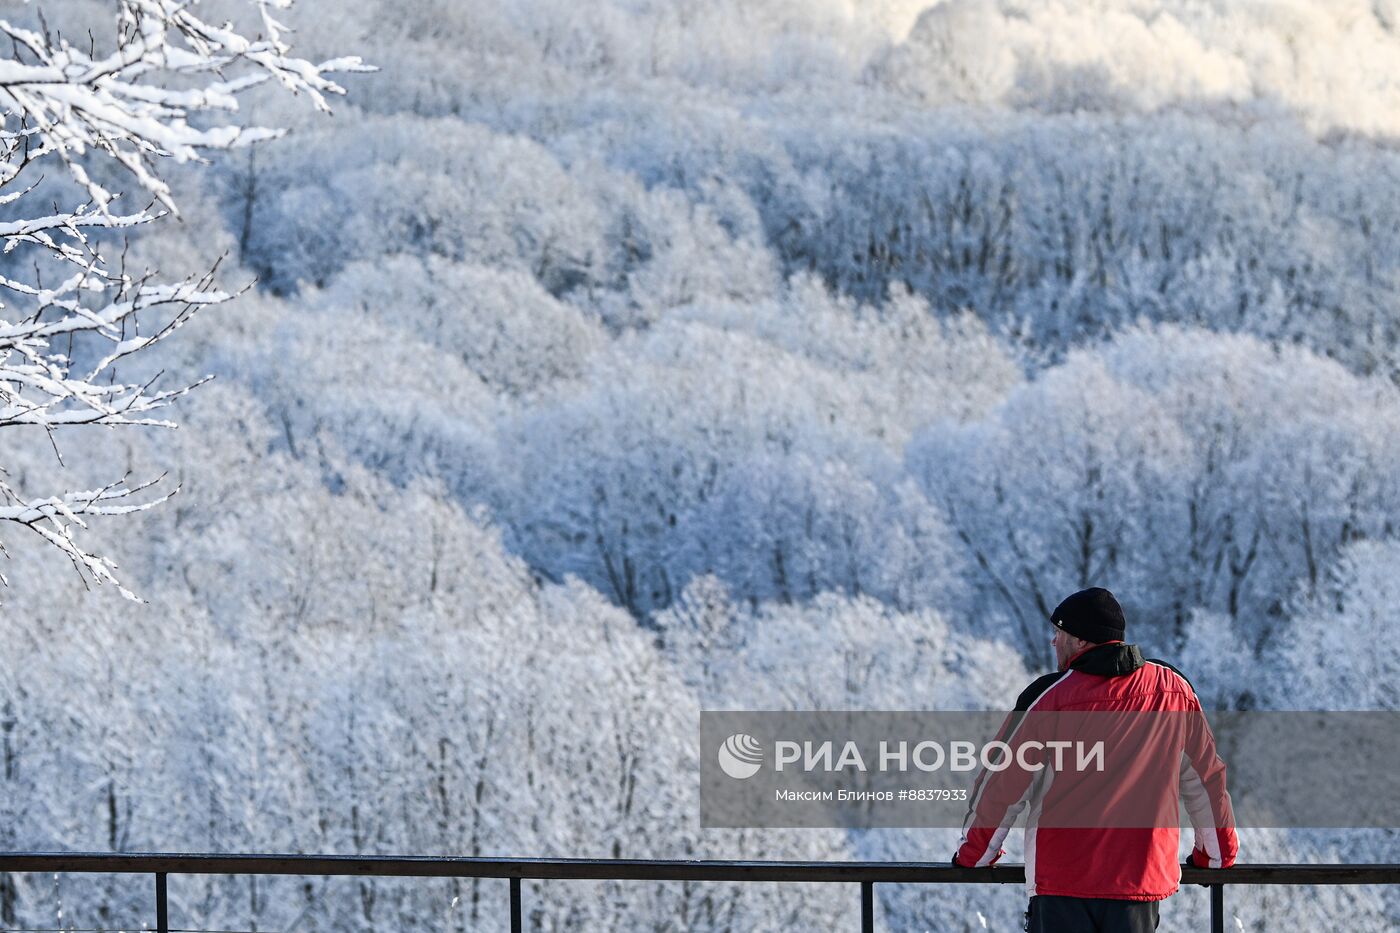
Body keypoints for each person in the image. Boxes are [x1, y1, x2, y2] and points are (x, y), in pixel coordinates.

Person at [951, 587, 1237, 933]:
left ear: (1081, 642)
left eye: (1059, 634)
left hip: (1062, 886)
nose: (1054, 643)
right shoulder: (1174, 691)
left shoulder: (1048, 698)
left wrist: (976, 853)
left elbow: (1004, 784)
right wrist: (1216, 854)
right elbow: (1205, 778)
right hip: (1139, 886)